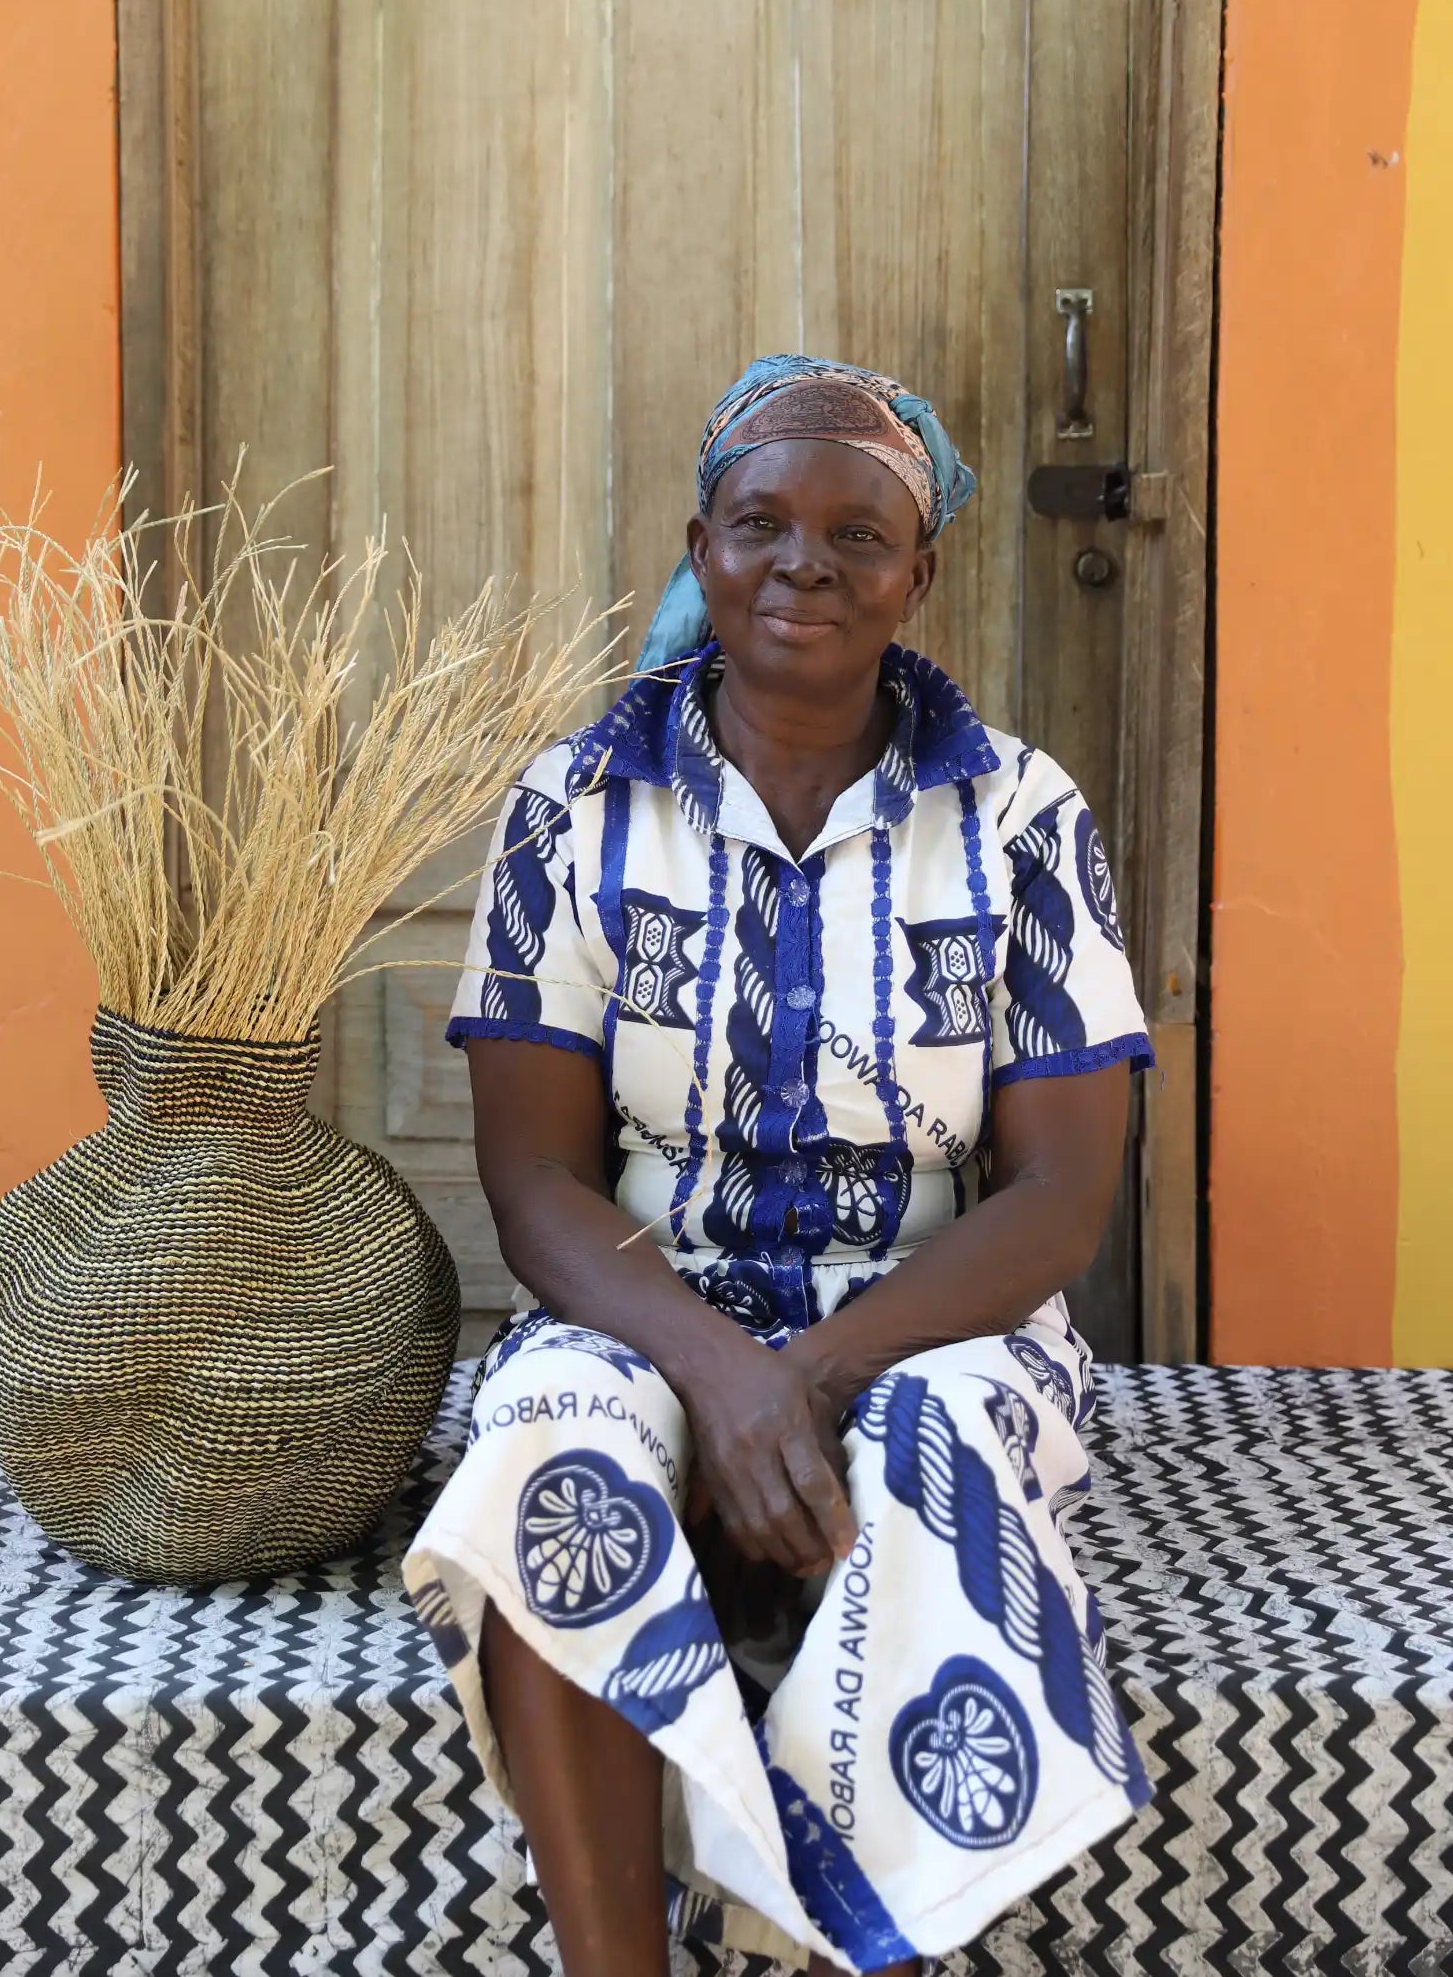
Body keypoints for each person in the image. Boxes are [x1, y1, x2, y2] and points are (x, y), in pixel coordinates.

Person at [404, 354, 1155, 1975]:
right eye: (760, 523)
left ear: (920, 572)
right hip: (649, 1305)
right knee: (553, 1445)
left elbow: (1060, 1196)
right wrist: (720, 1377)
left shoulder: (1022, 819)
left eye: (853, 533)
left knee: (939, 1458)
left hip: (939, 1321)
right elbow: (536, 1183)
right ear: (700, 544)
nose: (803, 561)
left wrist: (806, 1375)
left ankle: (826, 1945)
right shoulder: (574, 809)